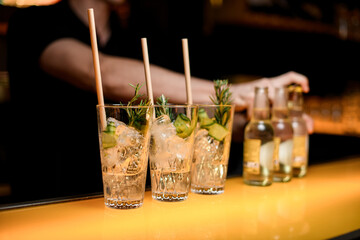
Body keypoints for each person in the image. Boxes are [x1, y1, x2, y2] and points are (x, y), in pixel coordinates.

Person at [6, 0, 312, 201]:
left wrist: (252, 120)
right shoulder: (33, 22)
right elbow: (101, 72)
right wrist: (234, 93)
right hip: (47, 200)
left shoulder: (138, 30)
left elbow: (181, 110)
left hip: (136, 203)